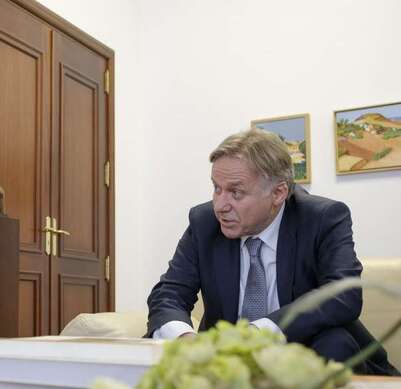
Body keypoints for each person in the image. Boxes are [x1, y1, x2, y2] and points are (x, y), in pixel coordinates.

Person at [146, 128, 396, 374]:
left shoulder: (322, 219)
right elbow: (170, 293)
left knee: (335, 343)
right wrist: (184, 337)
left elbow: (343, 296)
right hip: (229, 370)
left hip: (306, 356)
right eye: (216, 188)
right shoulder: (204, 222)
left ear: (278, 193)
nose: (220, 205)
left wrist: (256, 333)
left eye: (236, 192)